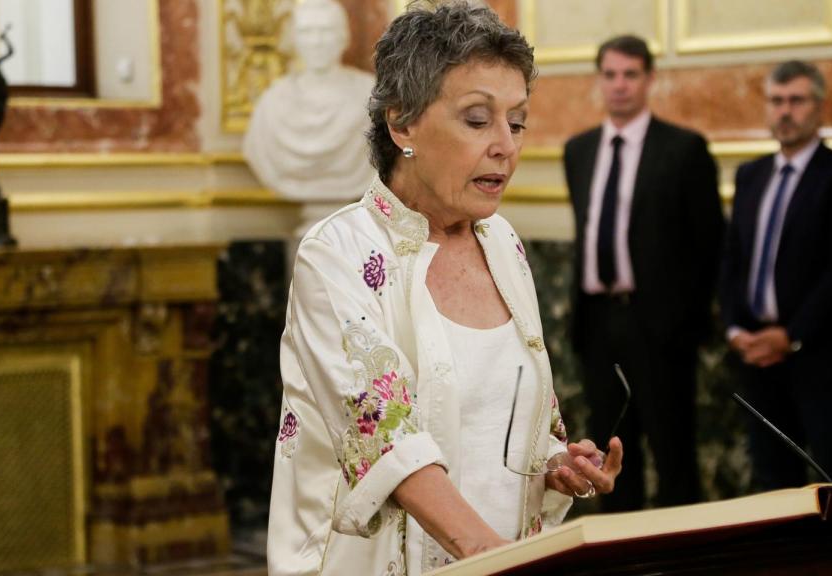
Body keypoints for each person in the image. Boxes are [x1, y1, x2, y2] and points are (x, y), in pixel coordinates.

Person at [267, 4, 623, 575]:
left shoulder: (503, 243)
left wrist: (557, 461)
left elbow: (507, 419)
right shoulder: (336, 254)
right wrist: (501, 559)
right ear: (401, 123)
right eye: (478, 120)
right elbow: (387, 441)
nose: (507, 145)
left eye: (518, 121)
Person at [564, 35, 723, 511]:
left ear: (650, 79)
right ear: (599, 81)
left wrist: (687, 323)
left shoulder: (684, 149)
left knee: (674, 453)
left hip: (660, 327)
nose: (619, 85)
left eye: (630, 74)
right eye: (610, 75)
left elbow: (710, 245)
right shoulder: (579, 150)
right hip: (597, 324)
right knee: (610, 456)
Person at [720, 61, 832, 492]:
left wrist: (791, 335)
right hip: (755, 354)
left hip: (821, 357)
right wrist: (734, 329)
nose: (785, 111)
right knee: (771, 479)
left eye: (797, 101)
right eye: (776, 101)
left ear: (819, 107)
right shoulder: (752, 174)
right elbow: (732, 261)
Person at [243, 0, 375, 205]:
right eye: (307, 31)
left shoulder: (370, 95)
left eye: (326, 31)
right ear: (294, 39)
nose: (317, 41)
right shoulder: (273, 101)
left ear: (344, 37)